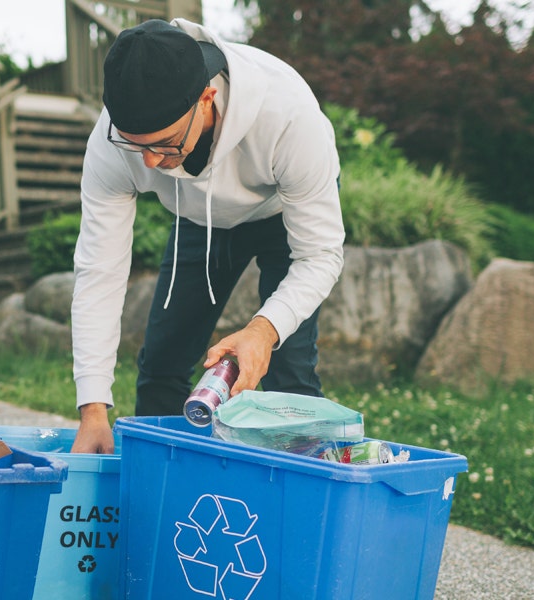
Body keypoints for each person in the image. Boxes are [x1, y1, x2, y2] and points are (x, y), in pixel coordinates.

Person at [70, 18, 345, 454]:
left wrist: (262, 330)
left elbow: (321, 255)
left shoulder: (289, 116)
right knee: (161, 366)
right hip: (199, 220)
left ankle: (292, 501)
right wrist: (93, 409)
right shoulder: (112, 141)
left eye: (165, 144)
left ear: (206, 98)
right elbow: (98, 271)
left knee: (288, 376)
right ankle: (160, 487)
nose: (150, 164)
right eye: (134, 146)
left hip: (282, 218)